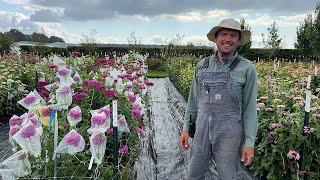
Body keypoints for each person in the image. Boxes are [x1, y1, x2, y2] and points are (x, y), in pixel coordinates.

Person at [179, 18, 258, 179]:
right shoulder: (202, 65)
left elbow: (250, 110)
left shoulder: (246, 68)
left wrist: (249, 143)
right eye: (224, 34)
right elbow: (193, 101)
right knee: (193, 174)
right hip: (201, 130)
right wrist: (186, 128)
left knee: (227, 176)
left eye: (233, 35)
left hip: (229, 133)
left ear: (238, 41)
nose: (228, 39)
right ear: (216, 37)